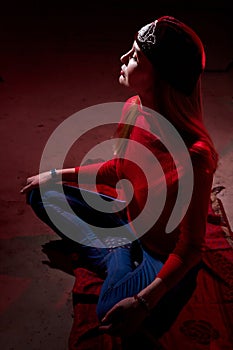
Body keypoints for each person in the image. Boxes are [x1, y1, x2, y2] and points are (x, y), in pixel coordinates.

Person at [21, 16, 218, 339]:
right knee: (40, 193)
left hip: (161, 254)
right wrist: (57, 175)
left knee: (111, 309)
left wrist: (144, 300)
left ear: (160, 75)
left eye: (136, 56)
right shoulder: (133, 108)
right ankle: (118, 249)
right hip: (127, 219)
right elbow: (116, 170)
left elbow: (191, 249)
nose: (123, 59)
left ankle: (115, 252)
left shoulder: (195, 156)